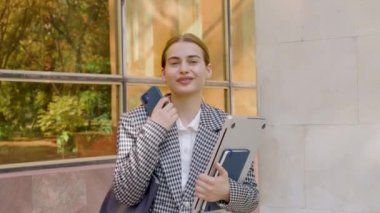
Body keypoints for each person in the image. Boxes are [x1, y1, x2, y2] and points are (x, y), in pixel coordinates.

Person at [112, 33, 259, 212]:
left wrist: (227, 191)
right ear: (164, 73)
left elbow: (251, 200)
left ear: (208, 70)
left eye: (193, 61)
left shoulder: (229, 127)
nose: (183, 69)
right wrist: (153, 130)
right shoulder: (134, 121)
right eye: (174, 63)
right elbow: (126, 194)